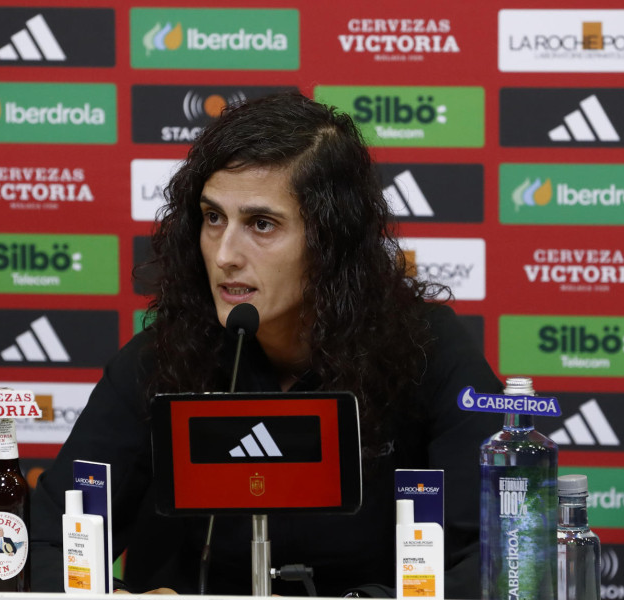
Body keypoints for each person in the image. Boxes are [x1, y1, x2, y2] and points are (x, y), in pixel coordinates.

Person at [30, 92, 503, 597]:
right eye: (213, 218)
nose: (226, 254)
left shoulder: (425, 351)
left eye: (261, 224)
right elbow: (44, 541)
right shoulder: (165, 357)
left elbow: (500, 556)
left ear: (330, 241)